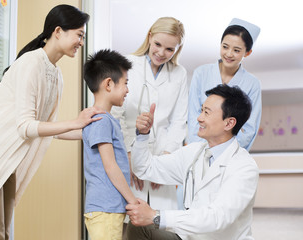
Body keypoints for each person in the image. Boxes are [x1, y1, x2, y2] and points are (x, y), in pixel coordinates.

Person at [0, 5, 102, 240]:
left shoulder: (56, 75)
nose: (81, 42)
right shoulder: (31, 63)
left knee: (1, 233)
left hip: (6, 160)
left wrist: (90, 132)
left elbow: (47, 129)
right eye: (79, 35)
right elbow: (26, 127)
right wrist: (75, 122)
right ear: (58, 31)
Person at [126, 84, 259, 240]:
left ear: (229, 123)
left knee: (152, 222)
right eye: (201, 110)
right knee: (137, 227)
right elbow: (145, 168)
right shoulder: (194, 152)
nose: (199, 118)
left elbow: (217, 218)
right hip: (189, 237)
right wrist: (143, 135)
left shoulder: (244, 167)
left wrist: (157, 216)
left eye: (207, 113)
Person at [111, 17, 188, 215]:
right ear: (149, 37)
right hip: (128, 152)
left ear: (177, 49)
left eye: (170, 49)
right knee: (129, 220)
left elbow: (179, 121)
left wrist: (163, 163)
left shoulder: (179, 74)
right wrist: (130, 156)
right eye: (158, 44)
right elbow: (117, 114)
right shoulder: (126, 64)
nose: (162, 53)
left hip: (163, 154)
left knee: (161, 223)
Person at [82, 49, 138, 240]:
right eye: (125, 83)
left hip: (108, 208)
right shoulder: (102, 119)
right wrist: (132, 200)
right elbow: (110, 165)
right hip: (106, 209)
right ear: (108, 84)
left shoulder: (100, 119)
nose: (127, 90)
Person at [188, 18, 261, 150]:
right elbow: (193, 115)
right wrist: (198, 148)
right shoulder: (201, 73)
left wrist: (225, 152)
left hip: (231, 152)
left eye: (236, 50)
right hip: (198, 147)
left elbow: (249, 128)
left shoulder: (252, 83)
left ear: (248, 52)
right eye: (225, 47)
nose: (229, 54)